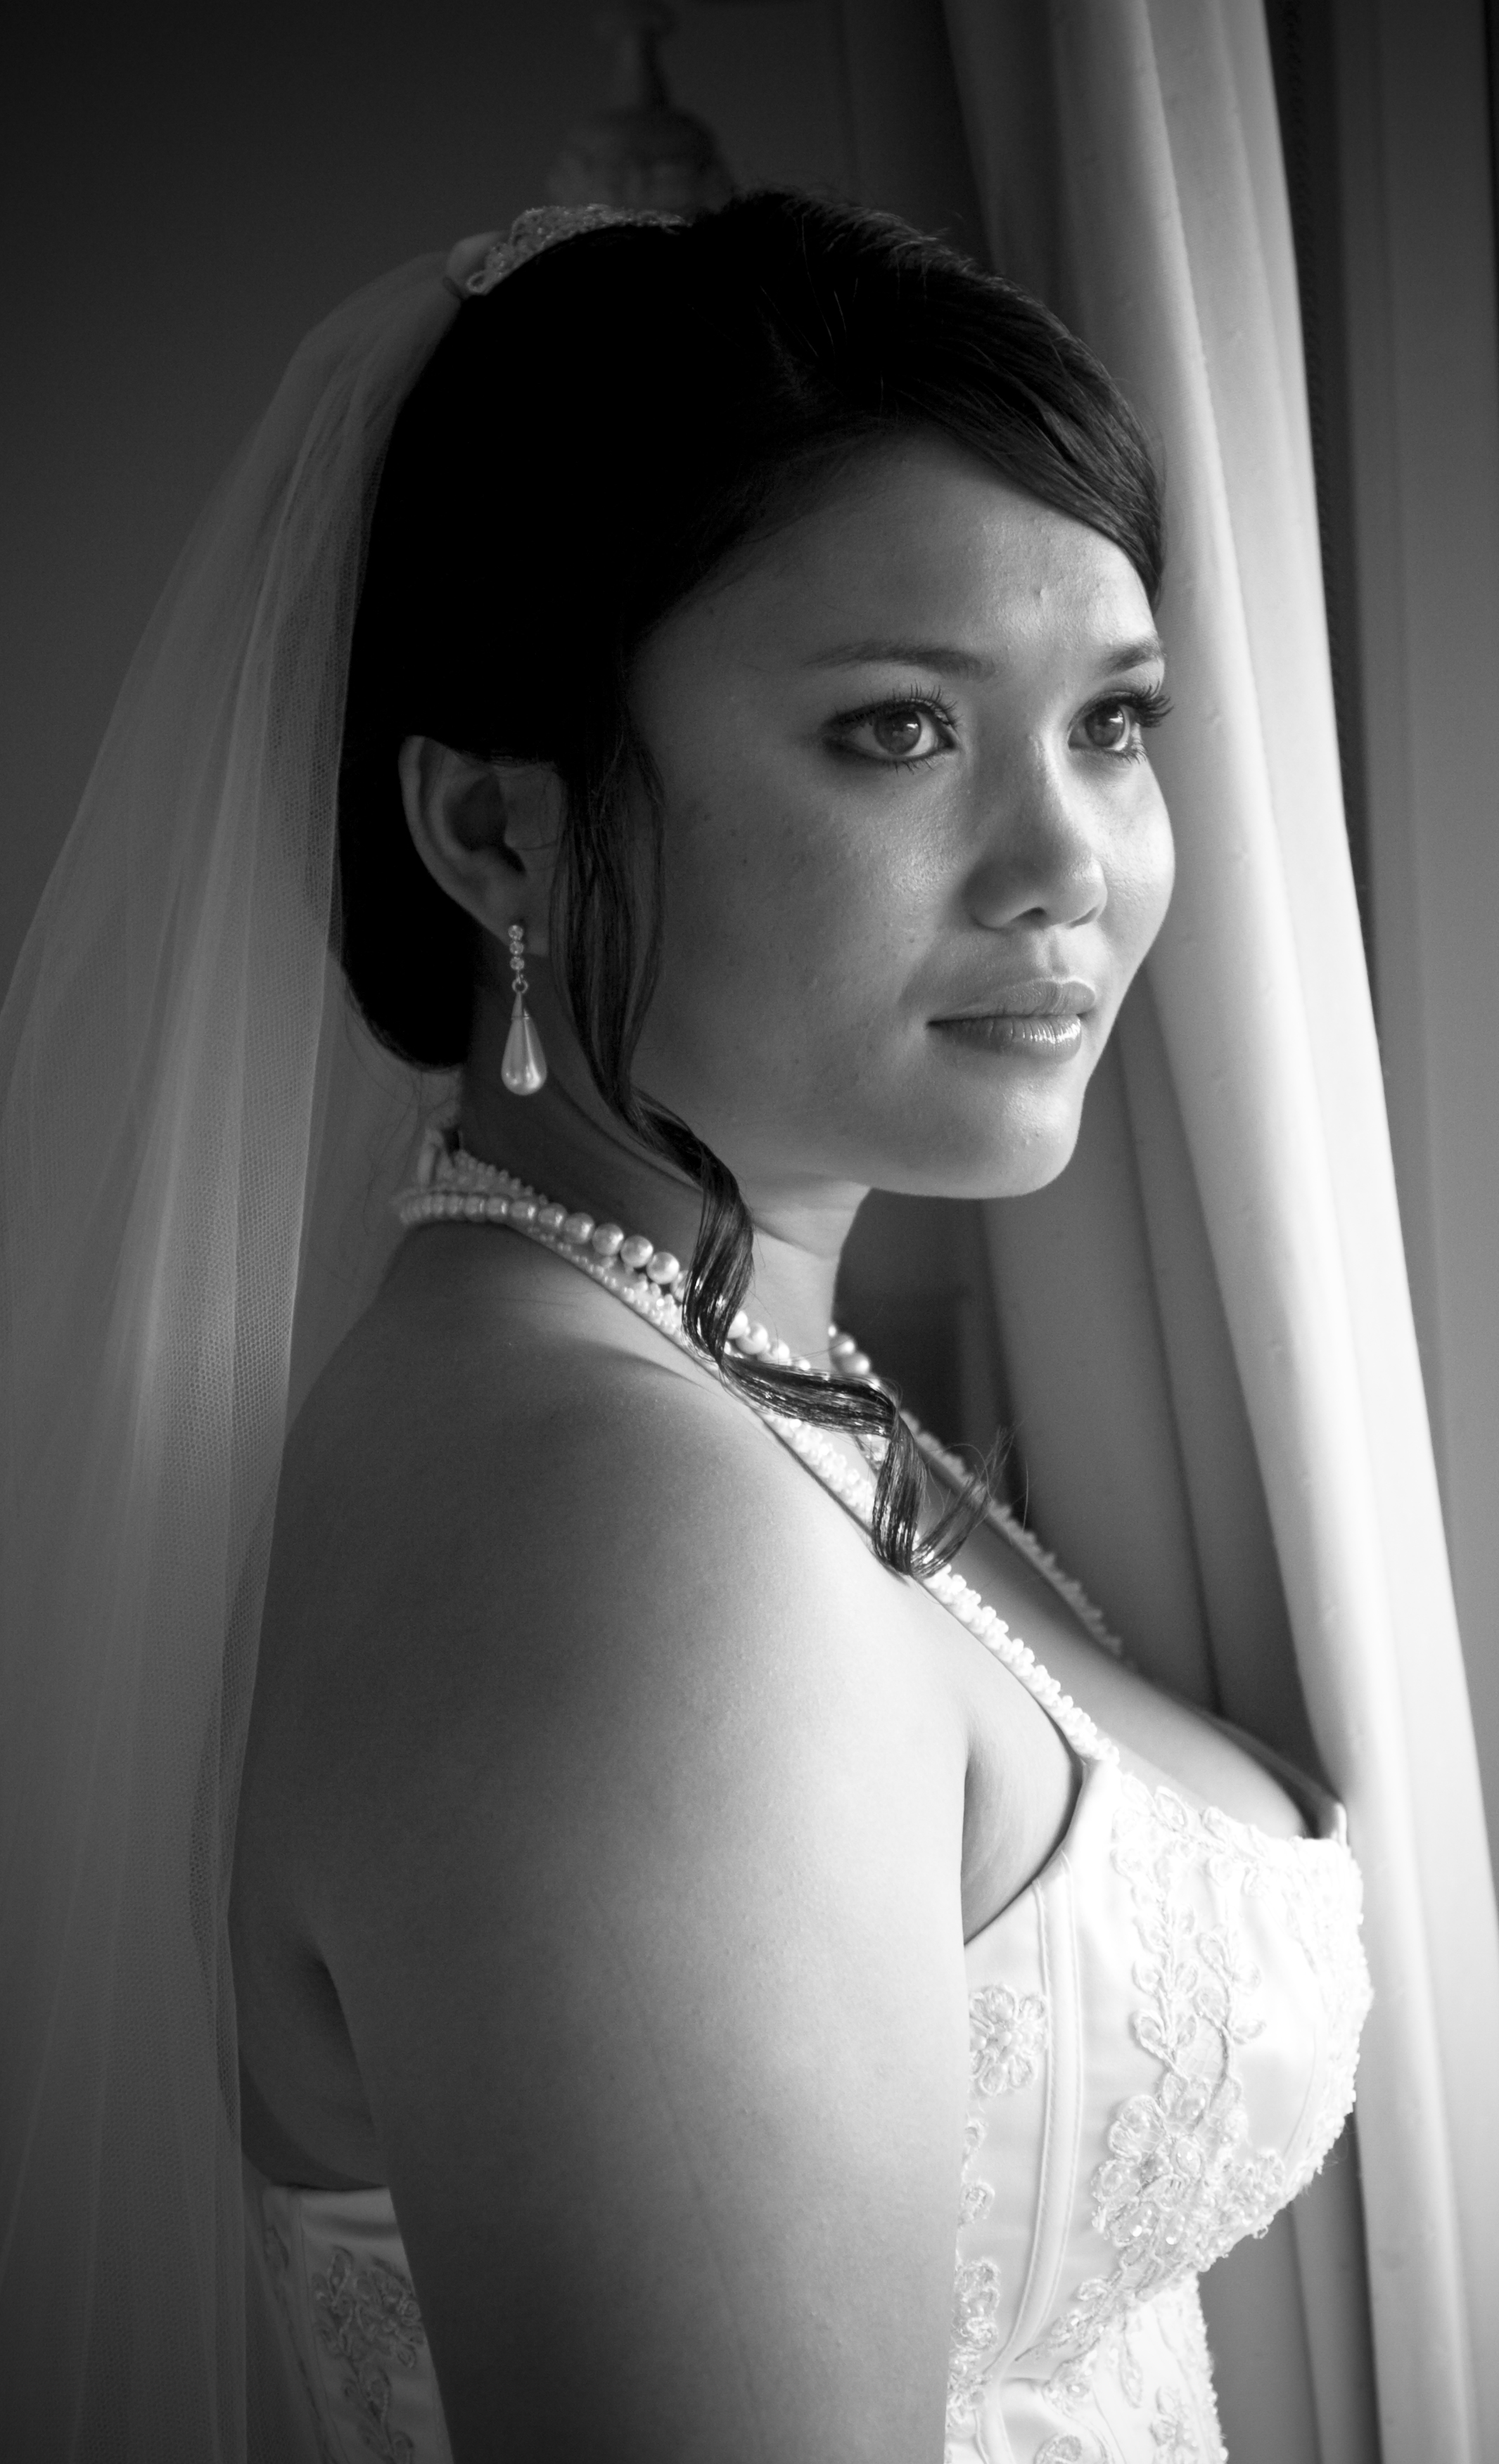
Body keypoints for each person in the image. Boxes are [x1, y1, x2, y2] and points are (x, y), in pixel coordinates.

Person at [0, 192, 1369, 2464]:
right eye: (900, 728)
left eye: (1115, 723)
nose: (1071, 864)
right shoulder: (618, 1535)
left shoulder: (704, 1373)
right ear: (495, 832)